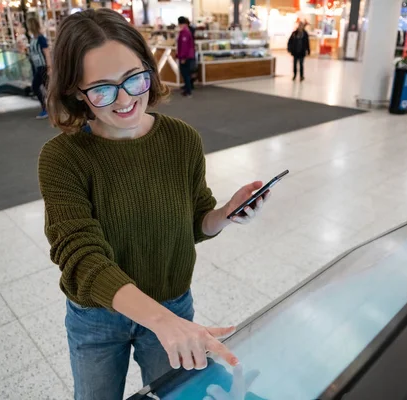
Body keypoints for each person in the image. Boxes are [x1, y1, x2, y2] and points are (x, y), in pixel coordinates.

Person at [40, 8, 272, 399]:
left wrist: (224, 214)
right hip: (97, 319)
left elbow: (196, 222)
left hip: (172, 301)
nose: (126, 98)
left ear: (149, 67)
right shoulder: (63, 158)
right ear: (75, 93)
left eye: (134, 78)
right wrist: (162, 321)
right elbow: (80, 257)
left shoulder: (181, 139)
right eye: (102, 89)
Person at [26, 17, 51, 119]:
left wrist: (49, 67)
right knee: (48, 88)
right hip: (38, 66)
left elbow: (47, 52)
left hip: (42, 66)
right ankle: (50, 109)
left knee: (36, 86)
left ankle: (46, 109)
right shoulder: (34, 39)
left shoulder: (40, 38)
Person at [177, 16, 195, 97]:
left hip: (186, 57)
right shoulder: (186, 31)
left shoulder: (184, 32)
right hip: (187, 56)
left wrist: (183, 57)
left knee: (185, 74)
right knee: (186, 74)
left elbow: (184, 47)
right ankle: (187, 89)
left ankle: (188, 91)